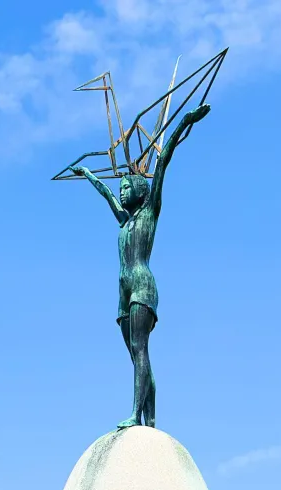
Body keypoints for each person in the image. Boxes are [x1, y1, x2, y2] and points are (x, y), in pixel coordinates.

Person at [74, 103, 210, 428]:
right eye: (121, 188)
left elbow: (162, 162)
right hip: (123, 293)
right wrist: (89, 174)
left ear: (139, 191)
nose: (122, 192)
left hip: (142, 287)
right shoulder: (124, 222)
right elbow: (106, 194)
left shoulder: (150, 213)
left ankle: (138, 415)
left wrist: (185, 122)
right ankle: (149, 417)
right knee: (137, 356)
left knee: (140, 349)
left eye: (126, 188)